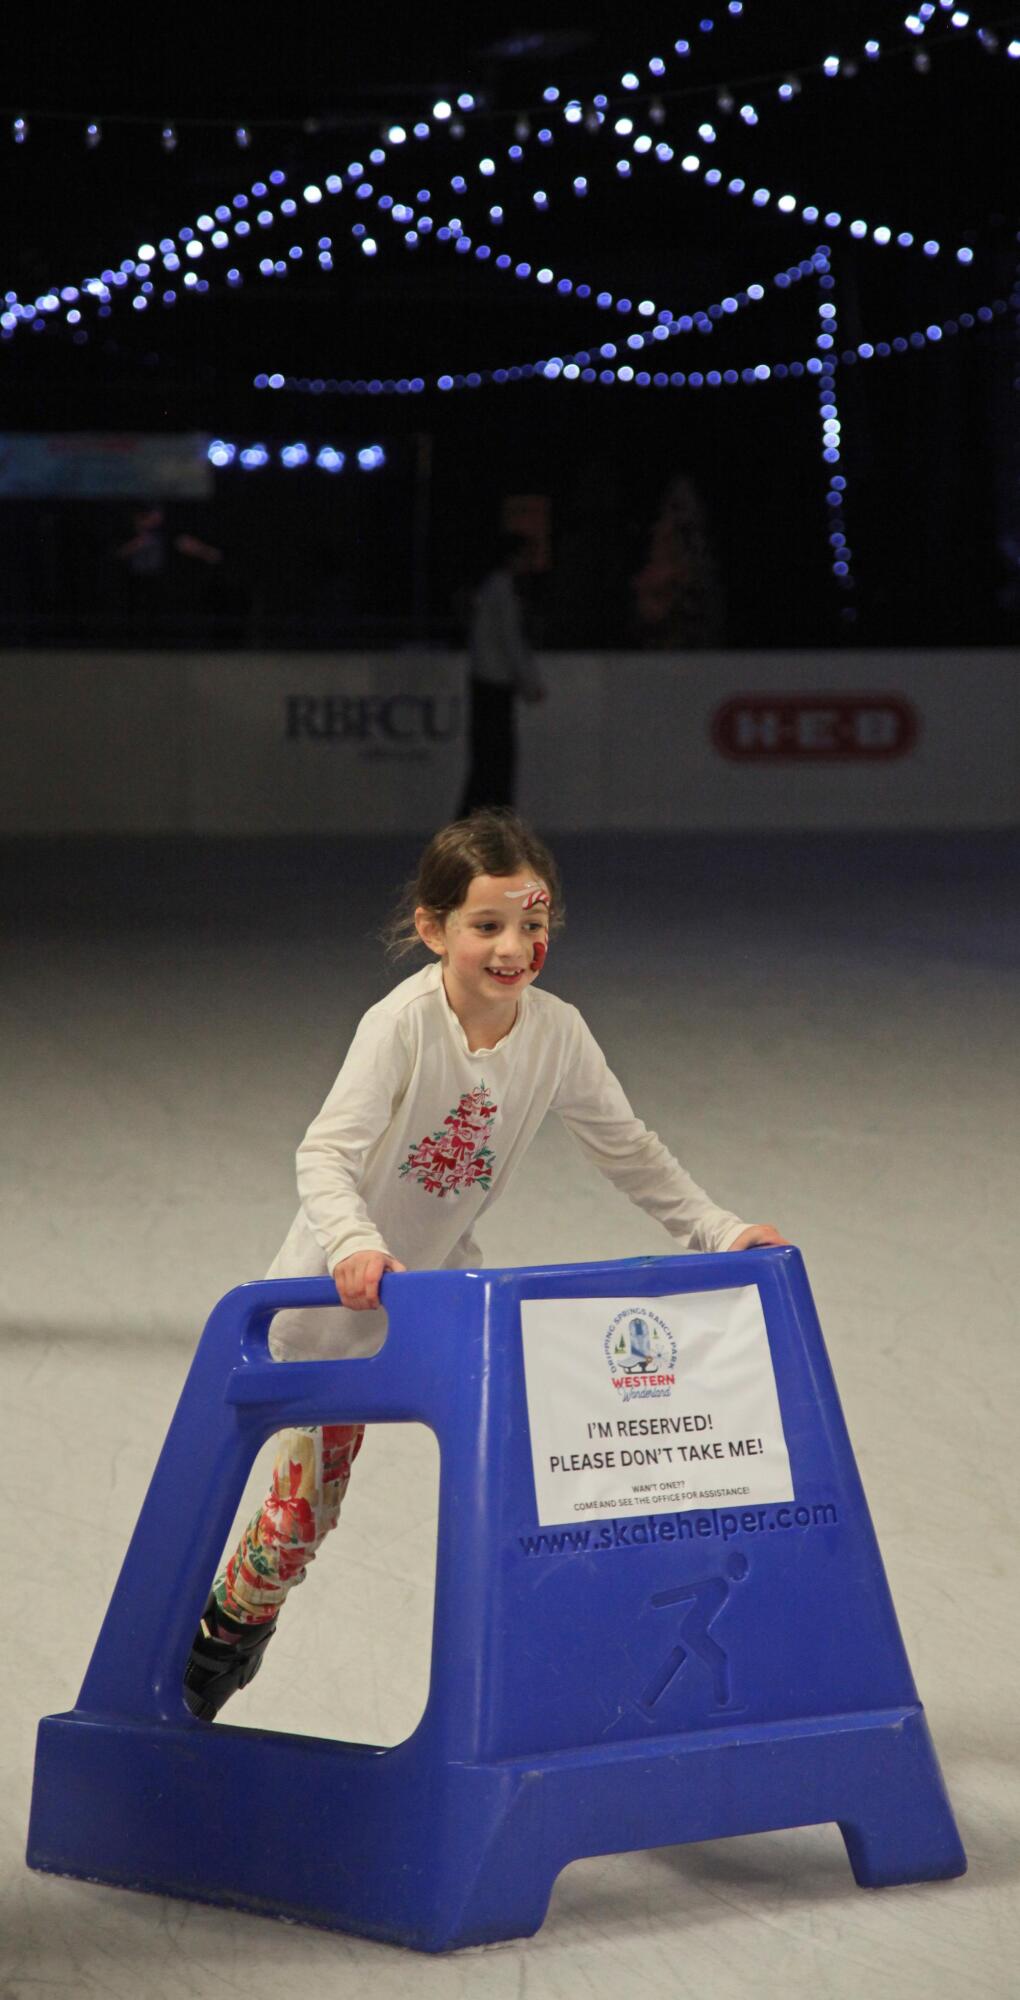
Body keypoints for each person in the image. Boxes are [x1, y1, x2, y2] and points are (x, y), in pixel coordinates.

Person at [184, 809, 786, 1720]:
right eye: (487, 925)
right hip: (326, 1315)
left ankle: (532, 1682)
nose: (514, 948)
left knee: (505, 1476)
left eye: (532, 925)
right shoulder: (401, 1026)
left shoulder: (558, 1034)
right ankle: (214, 1652)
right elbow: (324, 1153)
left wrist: (719, 1228)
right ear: (432, 929)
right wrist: (353, 1242)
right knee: (297, 1518)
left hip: (436, 1306)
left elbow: (629, 1150)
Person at [457, 534, 545, 814]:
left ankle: (477, 821)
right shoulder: (502, 589)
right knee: (496, 761)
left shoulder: (491, 587)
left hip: (485, 680)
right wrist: (530, 684)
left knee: (486, 760)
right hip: (494, 684)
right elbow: (511, 639)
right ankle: (492, 823)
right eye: (525, 556)